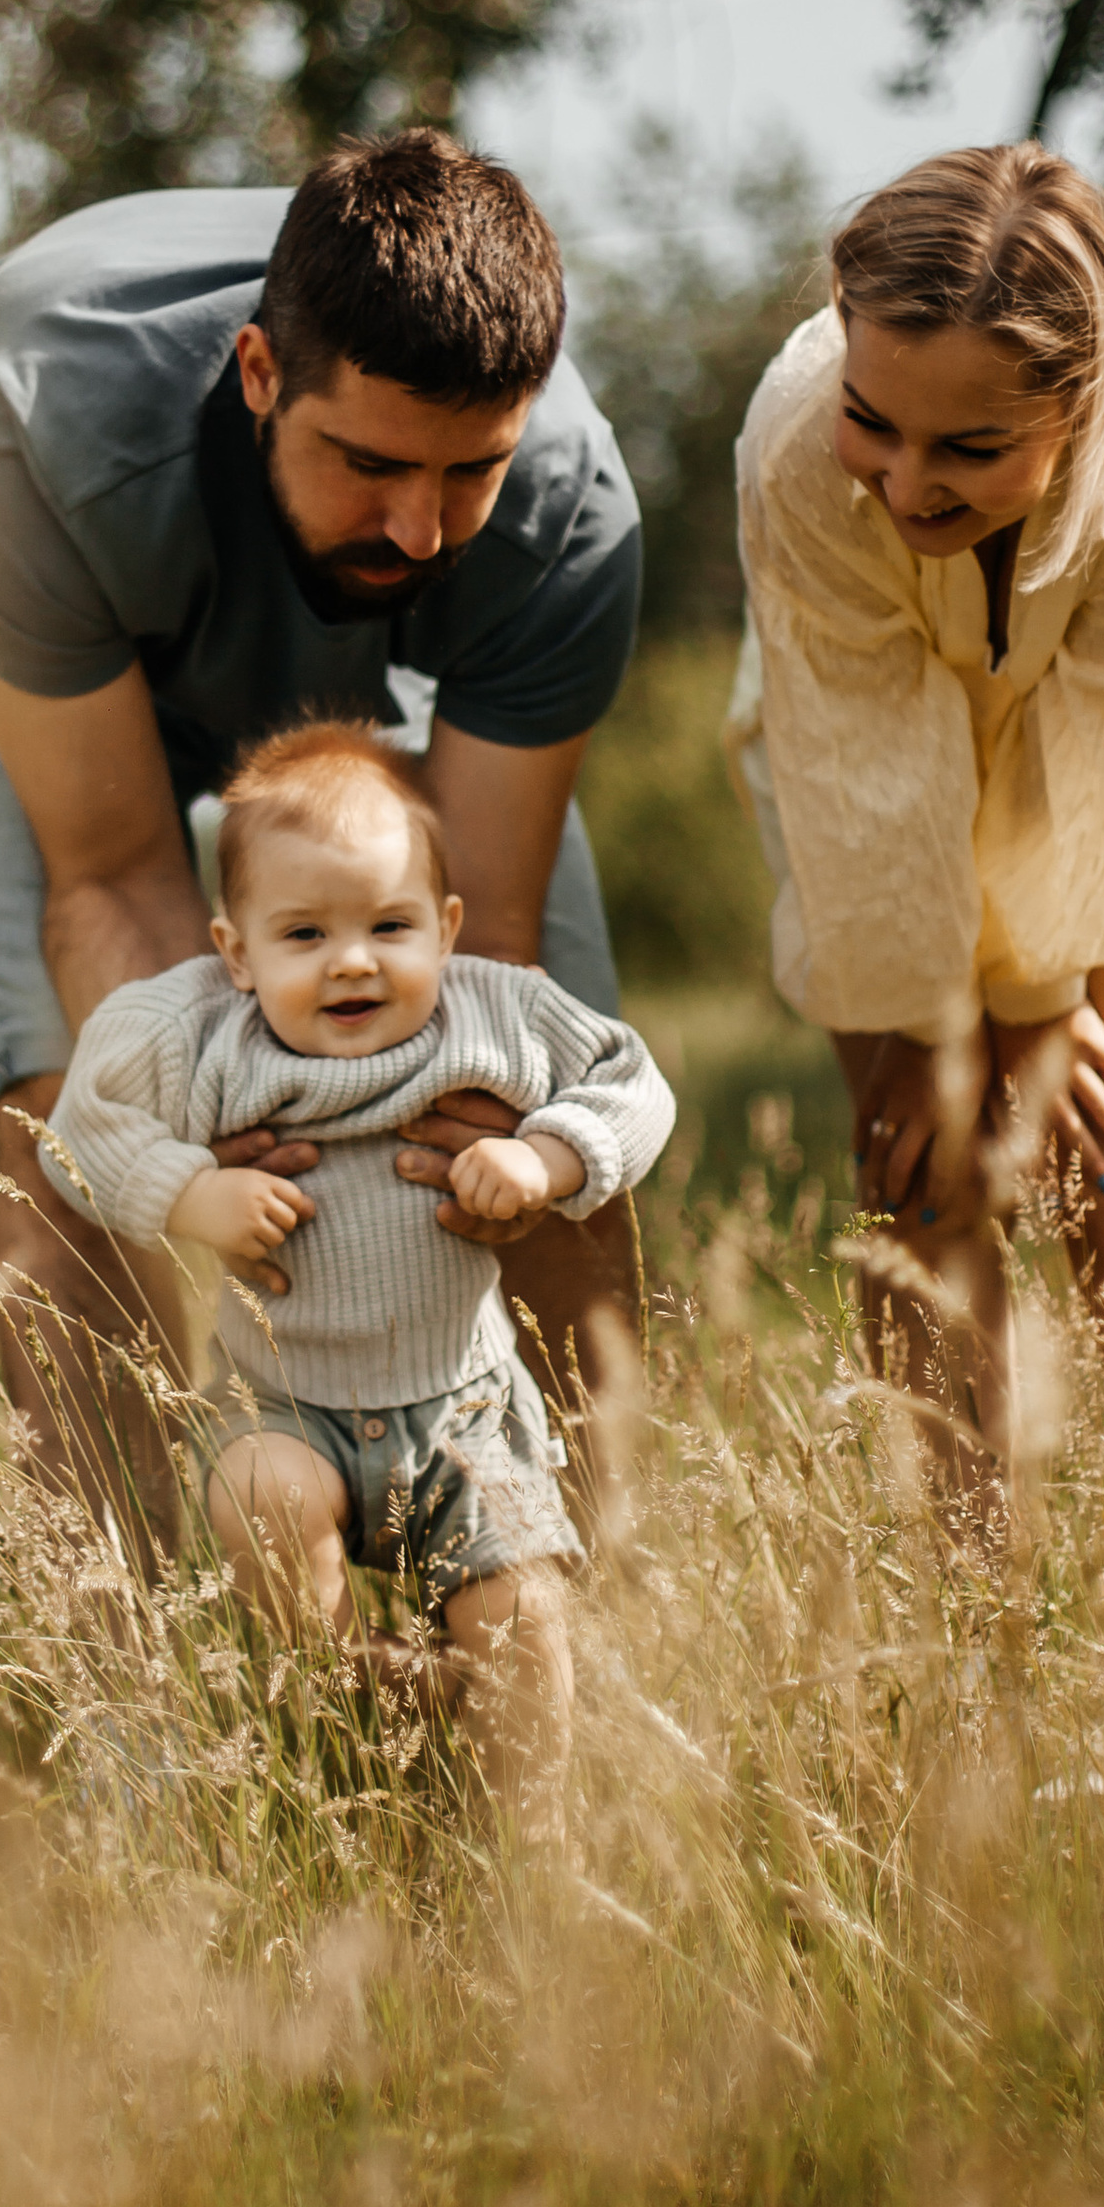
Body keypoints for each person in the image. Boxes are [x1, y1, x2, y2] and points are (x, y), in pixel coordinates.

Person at [0, 129, 647, 1544]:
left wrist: (460, 1146)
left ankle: (572, 1579)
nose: (421, 531)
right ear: (259, 374)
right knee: (78, 1112)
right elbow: (111, 880)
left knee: (536, 1095)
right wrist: (216, 1165)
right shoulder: (31, 420)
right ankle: (137, 1653)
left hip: (345, 638)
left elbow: (493, 958)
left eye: (470, 470)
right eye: (373, 464)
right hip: (33, 579)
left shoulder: (562, 515)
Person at [727, 140, 1104, 1636]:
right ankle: (970, 1646)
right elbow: (867, 756)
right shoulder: (798, 442)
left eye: (971, 449)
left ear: (1080, 405)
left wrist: (1041, 1010)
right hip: (871, 766)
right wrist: (959, 1028)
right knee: (925, 1169)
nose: (907, 480)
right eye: (880, 425)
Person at [39, 723, 675, 1832]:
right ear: (236, 955)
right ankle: (357, 1707)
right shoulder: (202, 1036)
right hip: (283, 1405)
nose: (352, 960)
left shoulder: (493, 1011)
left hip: (467, 1407)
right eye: (305, 934)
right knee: (262, 1500)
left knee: (522, 1617)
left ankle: (533, 1845)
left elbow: (633, 1080)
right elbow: (81, 1124)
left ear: (447, 928)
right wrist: (190, 1193)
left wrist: (545, 1155)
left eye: (390, 925)